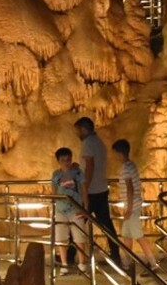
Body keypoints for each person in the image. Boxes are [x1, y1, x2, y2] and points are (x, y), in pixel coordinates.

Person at [75, 116, 121, 263]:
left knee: (77, 221)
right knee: (106, 225)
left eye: (78, 131)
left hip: (91, 191)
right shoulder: (99, 142)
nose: (77, 134)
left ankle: (69, 255)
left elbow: (90, 166)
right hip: (101, 188)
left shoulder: (88, 143)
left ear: (83, 129)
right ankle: (115, 254)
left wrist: (85, 187)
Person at [112, 139, 157, 271]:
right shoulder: (131, 165)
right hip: (131, 205)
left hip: (132, 206)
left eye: (115, 154)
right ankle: (126, 262)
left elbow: (129, 187)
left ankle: (152, 262)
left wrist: (129, 208)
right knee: (126, 234)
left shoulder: (126, 168)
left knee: (138, 236)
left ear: (119, 153)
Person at [50, 147, 89, 274]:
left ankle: (82, 263)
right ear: (58, 161)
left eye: (68, 159)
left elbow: (83, 190)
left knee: (79, 237)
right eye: (63, 160)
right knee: (61, 238)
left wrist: (85, 208)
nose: (67, 162)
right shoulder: (56, 175)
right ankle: (64, 264)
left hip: (75, 209)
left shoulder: (77, 173)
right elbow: (54, 191)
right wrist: (54, 206)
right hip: (61, 209)